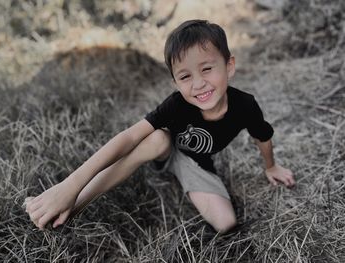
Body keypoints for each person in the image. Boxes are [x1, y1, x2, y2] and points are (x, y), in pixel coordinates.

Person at [24, 19, 295, 233]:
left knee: (226, 223)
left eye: (207, 69)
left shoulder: (245, 105)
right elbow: (130, 137)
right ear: (176, 82)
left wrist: (270, 166)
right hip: (164, 148)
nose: (198, 83)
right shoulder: (176, 104)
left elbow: (263, 135)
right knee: (157, 139)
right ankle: (68, 201)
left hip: (194, 164)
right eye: (185, 76)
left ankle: (65, 201)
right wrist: (70, 185)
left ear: (229, 66)